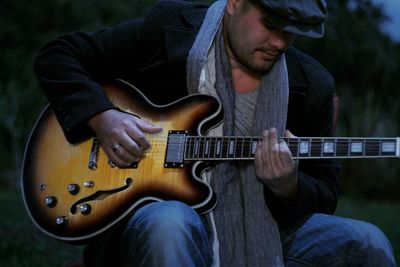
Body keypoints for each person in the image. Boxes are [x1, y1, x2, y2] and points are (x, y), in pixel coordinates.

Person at [34, 0, 396, 266]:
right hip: (166, 214)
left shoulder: (312, 83)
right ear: (235, 3)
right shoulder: (169, 30)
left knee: (369, 241)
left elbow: (326, 191)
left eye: (291, 33)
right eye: (270, 24)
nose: (280, 43)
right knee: (170, 225)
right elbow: (60, 55)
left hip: (265, 229)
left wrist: (288, 186)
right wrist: (103, 116)